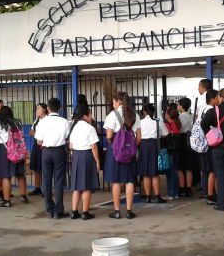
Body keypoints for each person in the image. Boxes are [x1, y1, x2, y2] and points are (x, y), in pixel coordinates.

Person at [103, 91, 141, 219]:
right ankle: (129, 211)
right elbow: (139, 139)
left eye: (113, 102)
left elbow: (108, 136)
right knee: (130, 181)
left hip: (115, 153)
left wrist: (116, 144)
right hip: (130, 153)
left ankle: (117, 211)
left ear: (118, 101)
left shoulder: (112, 115)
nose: (112, 104)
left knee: (116, 181)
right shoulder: (135, 115)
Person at [35, 98, 71, 219]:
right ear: (60, 109)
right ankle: (59, 210)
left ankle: (49, 208)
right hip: (59, 151)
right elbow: (67, 138)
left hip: (46, 152)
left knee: (46, 179)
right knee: (59, 180)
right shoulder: (65, 122)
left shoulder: (42, 122)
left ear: (48, 109)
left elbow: (39, 142)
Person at [0, 106, 28, 208]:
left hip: (4, 151)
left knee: (6, 176)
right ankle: (23, 196)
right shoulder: (17, 123)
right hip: (18, 150)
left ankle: (7, 201)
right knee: (20, 174)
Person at [69, 104, 101, 220]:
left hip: (76, 156)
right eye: (90, 114)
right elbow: (94, 147)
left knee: (77, 187)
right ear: (85, 115)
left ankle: (74, 211)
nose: (91, 116)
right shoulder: (90, 128)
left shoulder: (74, 127)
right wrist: (97, 161)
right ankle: (85, 212)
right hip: (87, 156)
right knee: (86, 186)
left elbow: (71, 146)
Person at [138, 103, 169, 204]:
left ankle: (147, 197)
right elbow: (165, 134)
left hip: (144, 146)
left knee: (146, 174)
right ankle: (157, 196)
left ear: (144, 112)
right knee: (155, 173)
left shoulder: (140, 122)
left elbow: (137, 136)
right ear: (154, 111)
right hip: (155, 146)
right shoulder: (158, 122)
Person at [199, 89, 218, 201]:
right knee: (212, 170)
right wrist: (210, 136)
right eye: (217, 97)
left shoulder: (203, 109)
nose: (218, 100)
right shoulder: (212, 110)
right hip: (210, 142)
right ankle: (211, 193)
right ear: (212, 98)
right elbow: (205, 124)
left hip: (203, 143)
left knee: (206, 169)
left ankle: (207, 191)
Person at [177, 97, 195, 197]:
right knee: (189, 167)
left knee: (180, 167)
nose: (177, 107)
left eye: (178, 105)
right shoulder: (191, 116)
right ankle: (189, 188)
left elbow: (180, 129)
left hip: (182, 139)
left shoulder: (181, 117)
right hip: (190, 140)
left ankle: (182, 187)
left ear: (181, 106)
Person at [164, 104, 183, 200]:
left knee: (170, 173)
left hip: (170, 151)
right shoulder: (177, 124)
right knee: (174, 171)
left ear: (168, 115)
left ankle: (170, 194)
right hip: (177, 150)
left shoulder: (167, 125)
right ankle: (176, 193)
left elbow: (164, 136)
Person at [28, 103, 47, 196]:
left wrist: (40, 136)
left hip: (46, 145)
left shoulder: (48, 120)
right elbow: (31, 131)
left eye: (38, 109)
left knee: (45, 168)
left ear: (44, 110)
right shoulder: (37, 120)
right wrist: (39, 136)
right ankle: (37, 187)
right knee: (36, 167)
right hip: (37, 144)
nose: (36, 111)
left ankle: (46, 189)